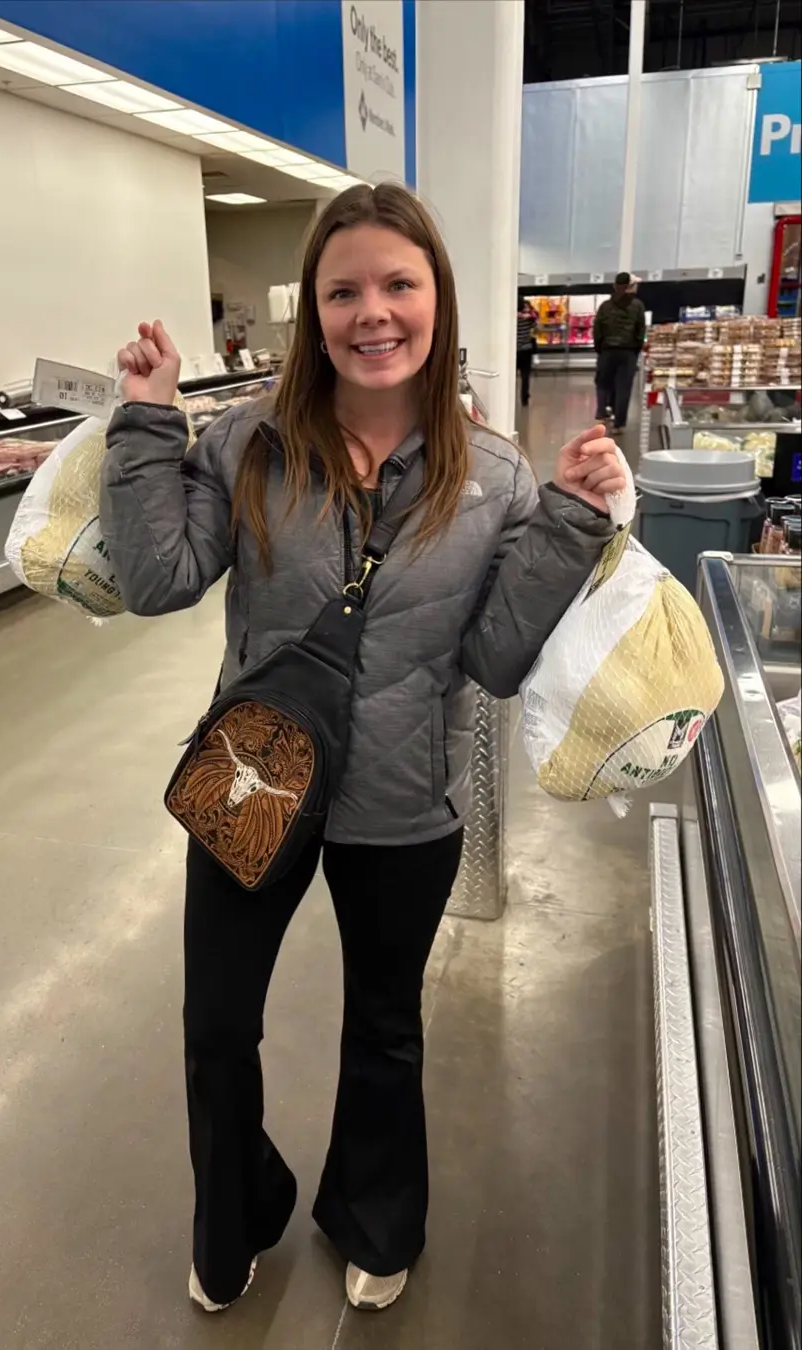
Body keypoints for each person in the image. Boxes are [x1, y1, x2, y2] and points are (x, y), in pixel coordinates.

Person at [101, 183, 625, 1317]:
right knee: (214, 1027)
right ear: (313, 311)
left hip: (401, 801)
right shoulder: (247, 441)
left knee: (384, 1029)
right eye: (343, 291)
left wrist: (573, 522)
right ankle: (233, 1213)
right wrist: (146, 417)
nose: (371, 313)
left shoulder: (491, 477)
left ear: (436, 298)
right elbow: (155, 580)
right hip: (256, 772)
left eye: (398, 285)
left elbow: (488, 659)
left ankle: (376, 1215)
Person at [593, 272, 646, 432]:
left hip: (607, 351)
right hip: (628, 352)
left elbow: (597, 330)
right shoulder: (637, 306)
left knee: (603, 382)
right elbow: (640, 331)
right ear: (629, 287)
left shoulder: (605, 306)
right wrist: (636, 349)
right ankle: (619, 424)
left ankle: (602, 412)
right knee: (623, 387)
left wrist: (600, 349)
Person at [516, 299, 537, 406]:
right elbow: (535, 325)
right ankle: (524, 398)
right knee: (525, 376)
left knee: (512, 376)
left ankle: (510, 396)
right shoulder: (529, 319)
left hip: (515, 351)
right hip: (526, 349)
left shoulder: (512, 318)